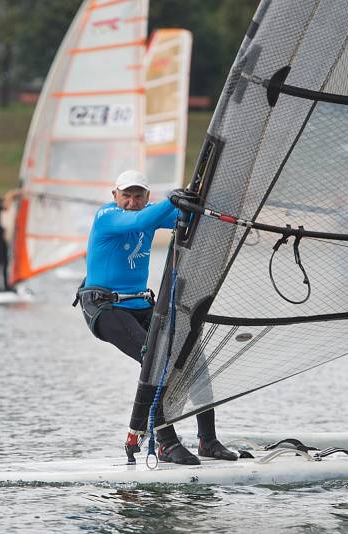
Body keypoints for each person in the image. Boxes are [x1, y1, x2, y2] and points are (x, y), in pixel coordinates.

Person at [77, 169, 238, 465]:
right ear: (115, 196)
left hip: (141, 305)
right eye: (126, 195)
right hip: (104, 308)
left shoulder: (149, 211)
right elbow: (142, 220)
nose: (132, 201)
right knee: (156, 359)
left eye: (138, 196)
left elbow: (188, 218)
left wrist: (207, 197)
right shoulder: (108, 216)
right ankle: (165, 443)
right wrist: (174, 200)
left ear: (146, 197)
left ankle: (208, 440)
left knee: (192, 358)